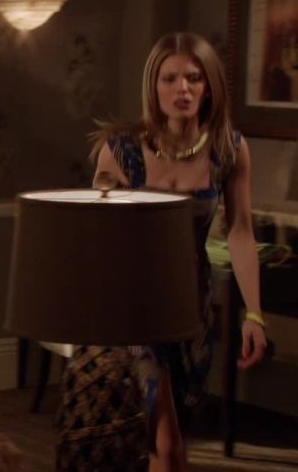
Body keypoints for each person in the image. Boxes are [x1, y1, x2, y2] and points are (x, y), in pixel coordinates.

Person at [56, 32, 268, 471]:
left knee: (172, 442)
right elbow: (95, 235)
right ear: (153, 87)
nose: (182, 89)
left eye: (193, 77)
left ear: (209, 86)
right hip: (133, 309)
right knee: (165, 442)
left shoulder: (228, 149)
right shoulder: (120, 151)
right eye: (169, 79)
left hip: (190, 308)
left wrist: (254, 314)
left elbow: (241, 231)